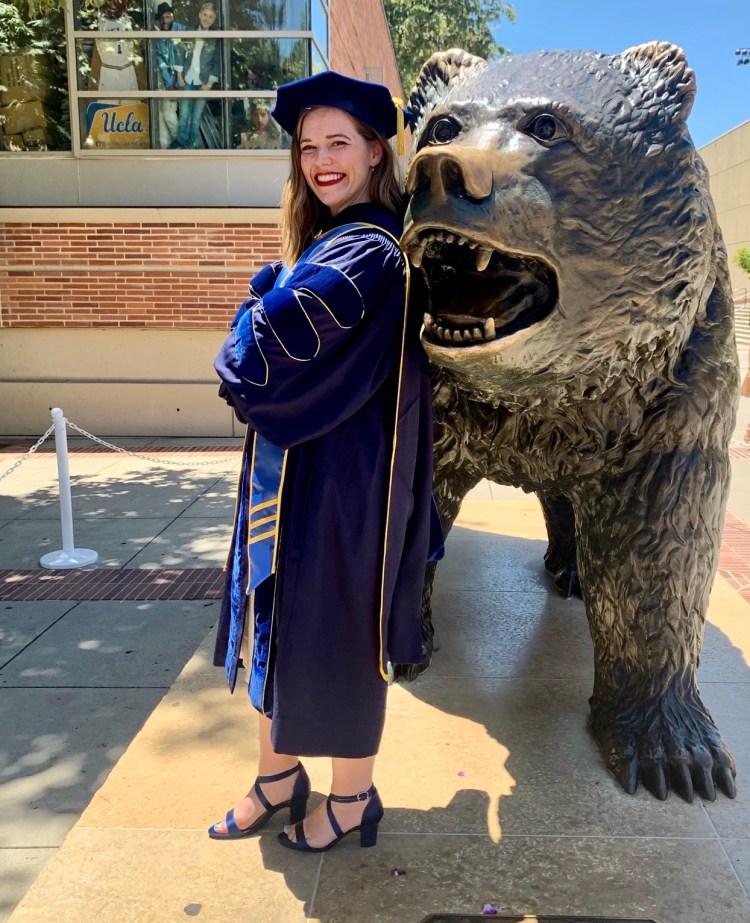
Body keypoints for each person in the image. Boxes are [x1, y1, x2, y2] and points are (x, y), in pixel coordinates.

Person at [211, 70, 441, 852]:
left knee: (338, 632)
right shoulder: (333, 242)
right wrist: (269, 291)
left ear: (378, 151)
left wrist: (254, 305)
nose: (319, 161)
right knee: (282, 617)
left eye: (338, 142)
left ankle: (352, 798)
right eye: (308, 147)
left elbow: (254, 357)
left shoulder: (367, 253)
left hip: (344, 485)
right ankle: (278, 779)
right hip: (309, 470)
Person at [170, 1, 219, 149]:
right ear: (199, 15)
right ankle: (182, 141)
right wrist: (179, 75)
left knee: (196, 115)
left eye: (211, 17)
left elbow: (217, 62)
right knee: (185, 113)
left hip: (203, 81)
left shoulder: (215, 38)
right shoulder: (189, 31)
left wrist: (210, 83)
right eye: (205, 15)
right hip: (187, 77)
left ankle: (192, 143)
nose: (207, 19)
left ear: (214, 19)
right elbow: (179, 52)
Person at [154, 2, 186, 149]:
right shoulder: (159, 38)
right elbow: (161, 62)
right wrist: (169, 84)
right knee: (167, 112)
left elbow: (189, 55)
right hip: (171, 81)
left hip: (186, 78)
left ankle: (188, 141)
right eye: (162, 18)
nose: (165, 21)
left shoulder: (182, 31)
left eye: (168, 17)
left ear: (172, 17)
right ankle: (180, 141)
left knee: (188, 112)